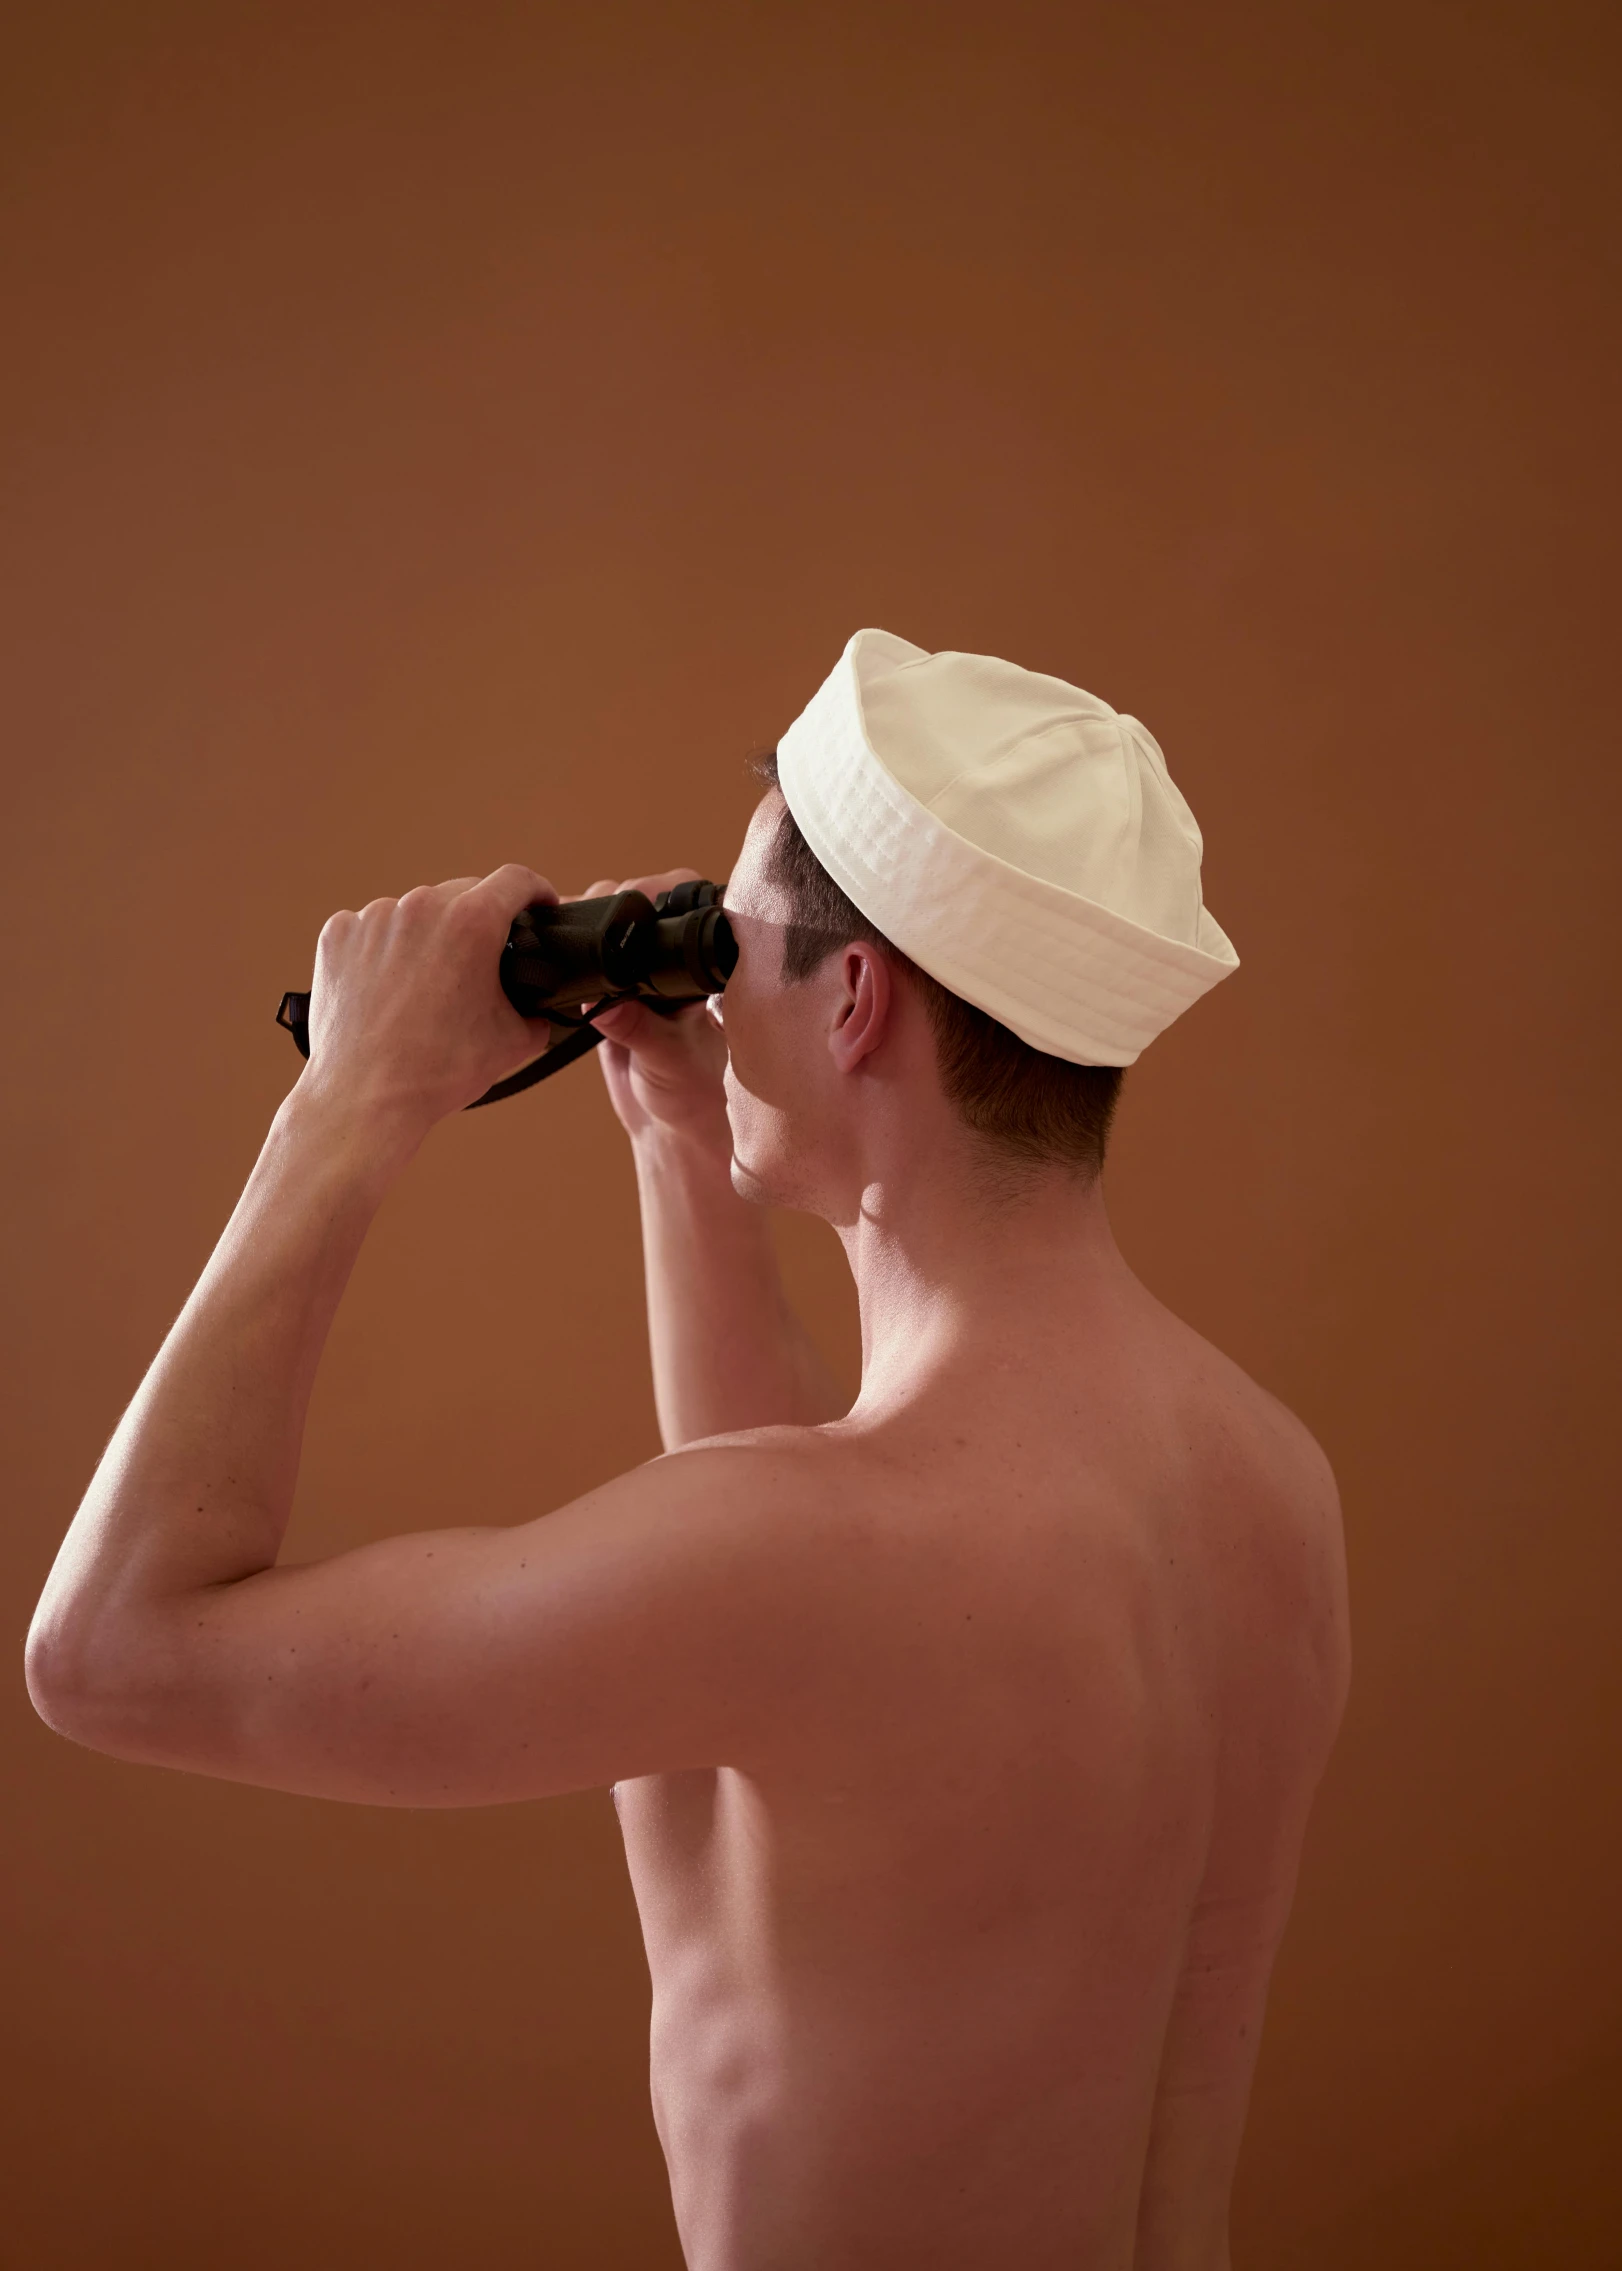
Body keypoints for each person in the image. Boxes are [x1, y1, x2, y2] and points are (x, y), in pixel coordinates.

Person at [27, 630, 1350, 2271]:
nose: (708, 985)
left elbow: (110, 1652)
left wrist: (348, 1100)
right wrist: (679, 1130)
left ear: (855, 999)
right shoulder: (1266, 1483)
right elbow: (792, 1679)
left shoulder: (810, 1552)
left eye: (736, 948)